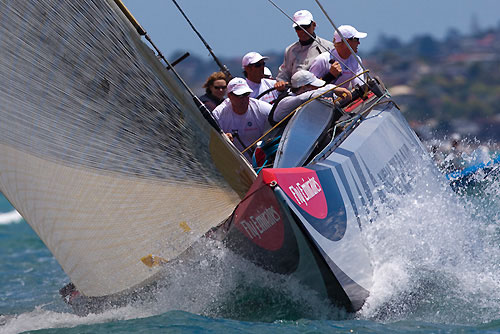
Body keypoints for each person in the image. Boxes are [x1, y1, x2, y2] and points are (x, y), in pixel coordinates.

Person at [213, 77, 272, 160]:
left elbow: (279, 119)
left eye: (246, 94)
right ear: (229, 96)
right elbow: (212, 142)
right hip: (233, 161)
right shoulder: (219, 114)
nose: (244, 99)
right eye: (239, 96)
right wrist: (223, 139)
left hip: (261, 161)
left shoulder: (262, 108)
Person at [270, 70, 351, 125]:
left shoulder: (305, 97)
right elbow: (303, 98)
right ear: (304, 87)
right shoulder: (286, 102)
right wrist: (331, 88)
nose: (317, 89)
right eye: (314, 86)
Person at [276, 10, 334, 83]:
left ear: (314, 25)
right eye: (298, 28)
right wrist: (280, 83)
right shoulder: (290, 50)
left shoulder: (328, 47)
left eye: (305, 27)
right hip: (297, 92)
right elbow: (283, 76)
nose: (302, 31)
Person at [309, 25, 367, 89]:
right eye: (356, 39)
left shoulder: (356, 60)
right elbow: (310, 89)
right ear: (346, 42)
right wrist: (330, 76)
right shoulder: (322, 60)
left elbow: (359, 87)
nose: (359, 43)